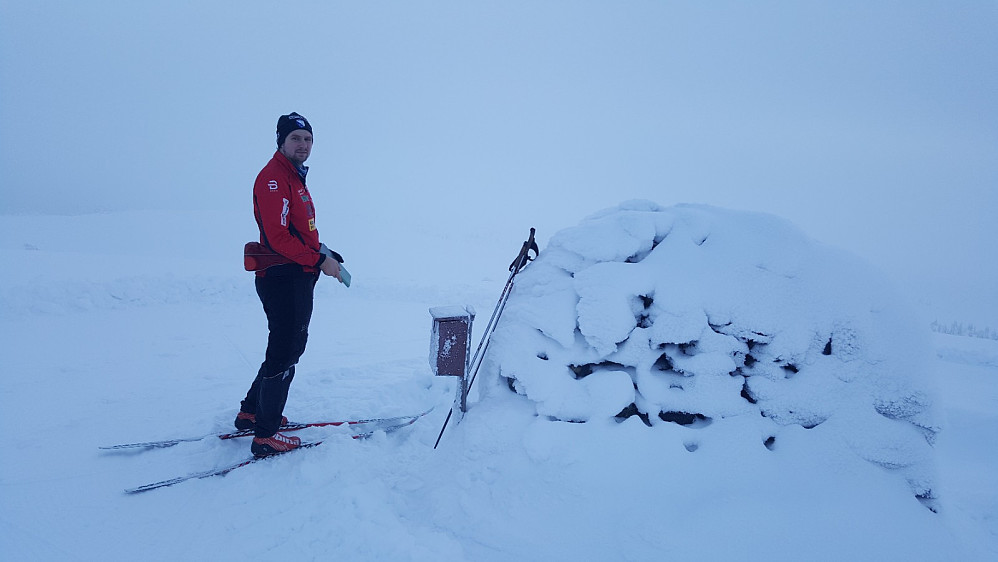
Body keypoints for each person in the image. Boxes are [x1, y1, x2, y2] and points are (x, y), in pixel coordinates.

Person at [235, 112, 342, 457]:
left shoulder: (293, 178)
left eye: (308, 139)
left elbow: (298, 229)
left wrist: (323, 251)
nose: (303, 145)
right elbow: (279, 238)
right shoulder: (273, 179)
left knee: (284, 345)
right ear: (281, 141)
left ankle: (252, 412)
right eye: (296, 138)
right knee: (286, 349)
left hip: (295, 273)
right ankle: (265, 435)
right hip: (284, 276)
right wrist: (317, 261)